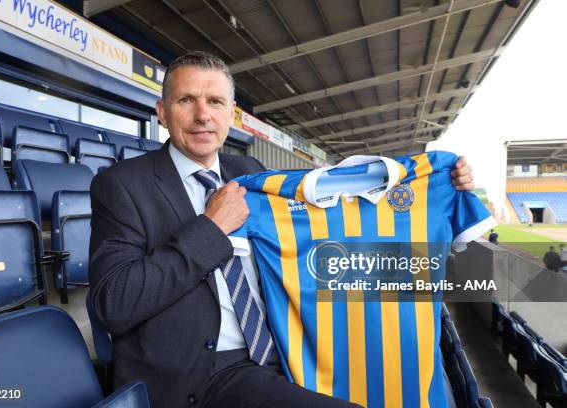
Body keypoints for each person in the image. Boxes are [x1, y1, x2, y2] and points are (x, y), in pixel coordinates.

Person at [88, 51, 476, 408]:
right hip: (209, 372)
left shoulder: (253, 175)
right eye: (187, 100)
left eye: (216, 102)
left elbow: (339, 214)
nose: (203, 115)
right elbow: (112, 305)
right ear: (161, 111)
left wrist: (439, 186)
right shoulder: (122, 184)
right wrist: (211, 228)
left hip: (294, 350)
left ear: (231, 114)